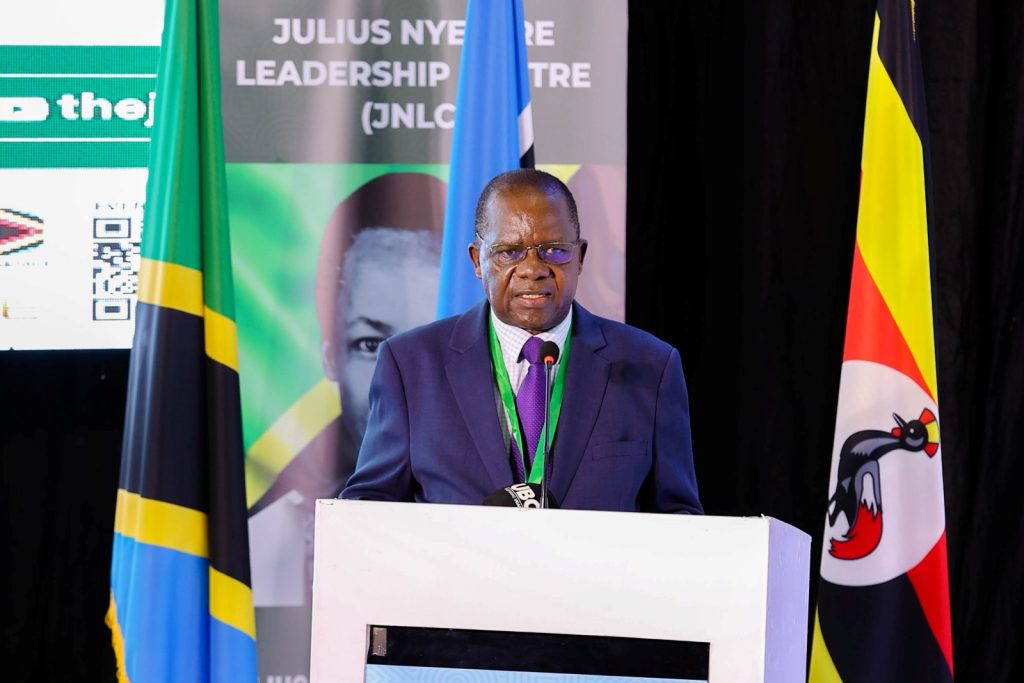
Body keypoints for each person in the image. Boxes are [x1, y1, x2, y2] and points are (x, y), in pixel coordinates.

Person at [341, 169, 702, 513]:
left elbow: (677, 517)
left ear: (580, 257)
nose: (533, 269)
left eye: (555, 250)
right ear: (477, 261)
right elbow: (369, 509)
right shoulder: (410, 365)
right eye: (510, 252)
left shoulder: (651, 366)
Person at [248, 172, 446, 607]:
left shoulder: (509, 515)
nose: (396, 379)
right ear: (330, 354)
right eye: (371, 345)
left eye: (426, 343)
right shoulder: (255, 555)